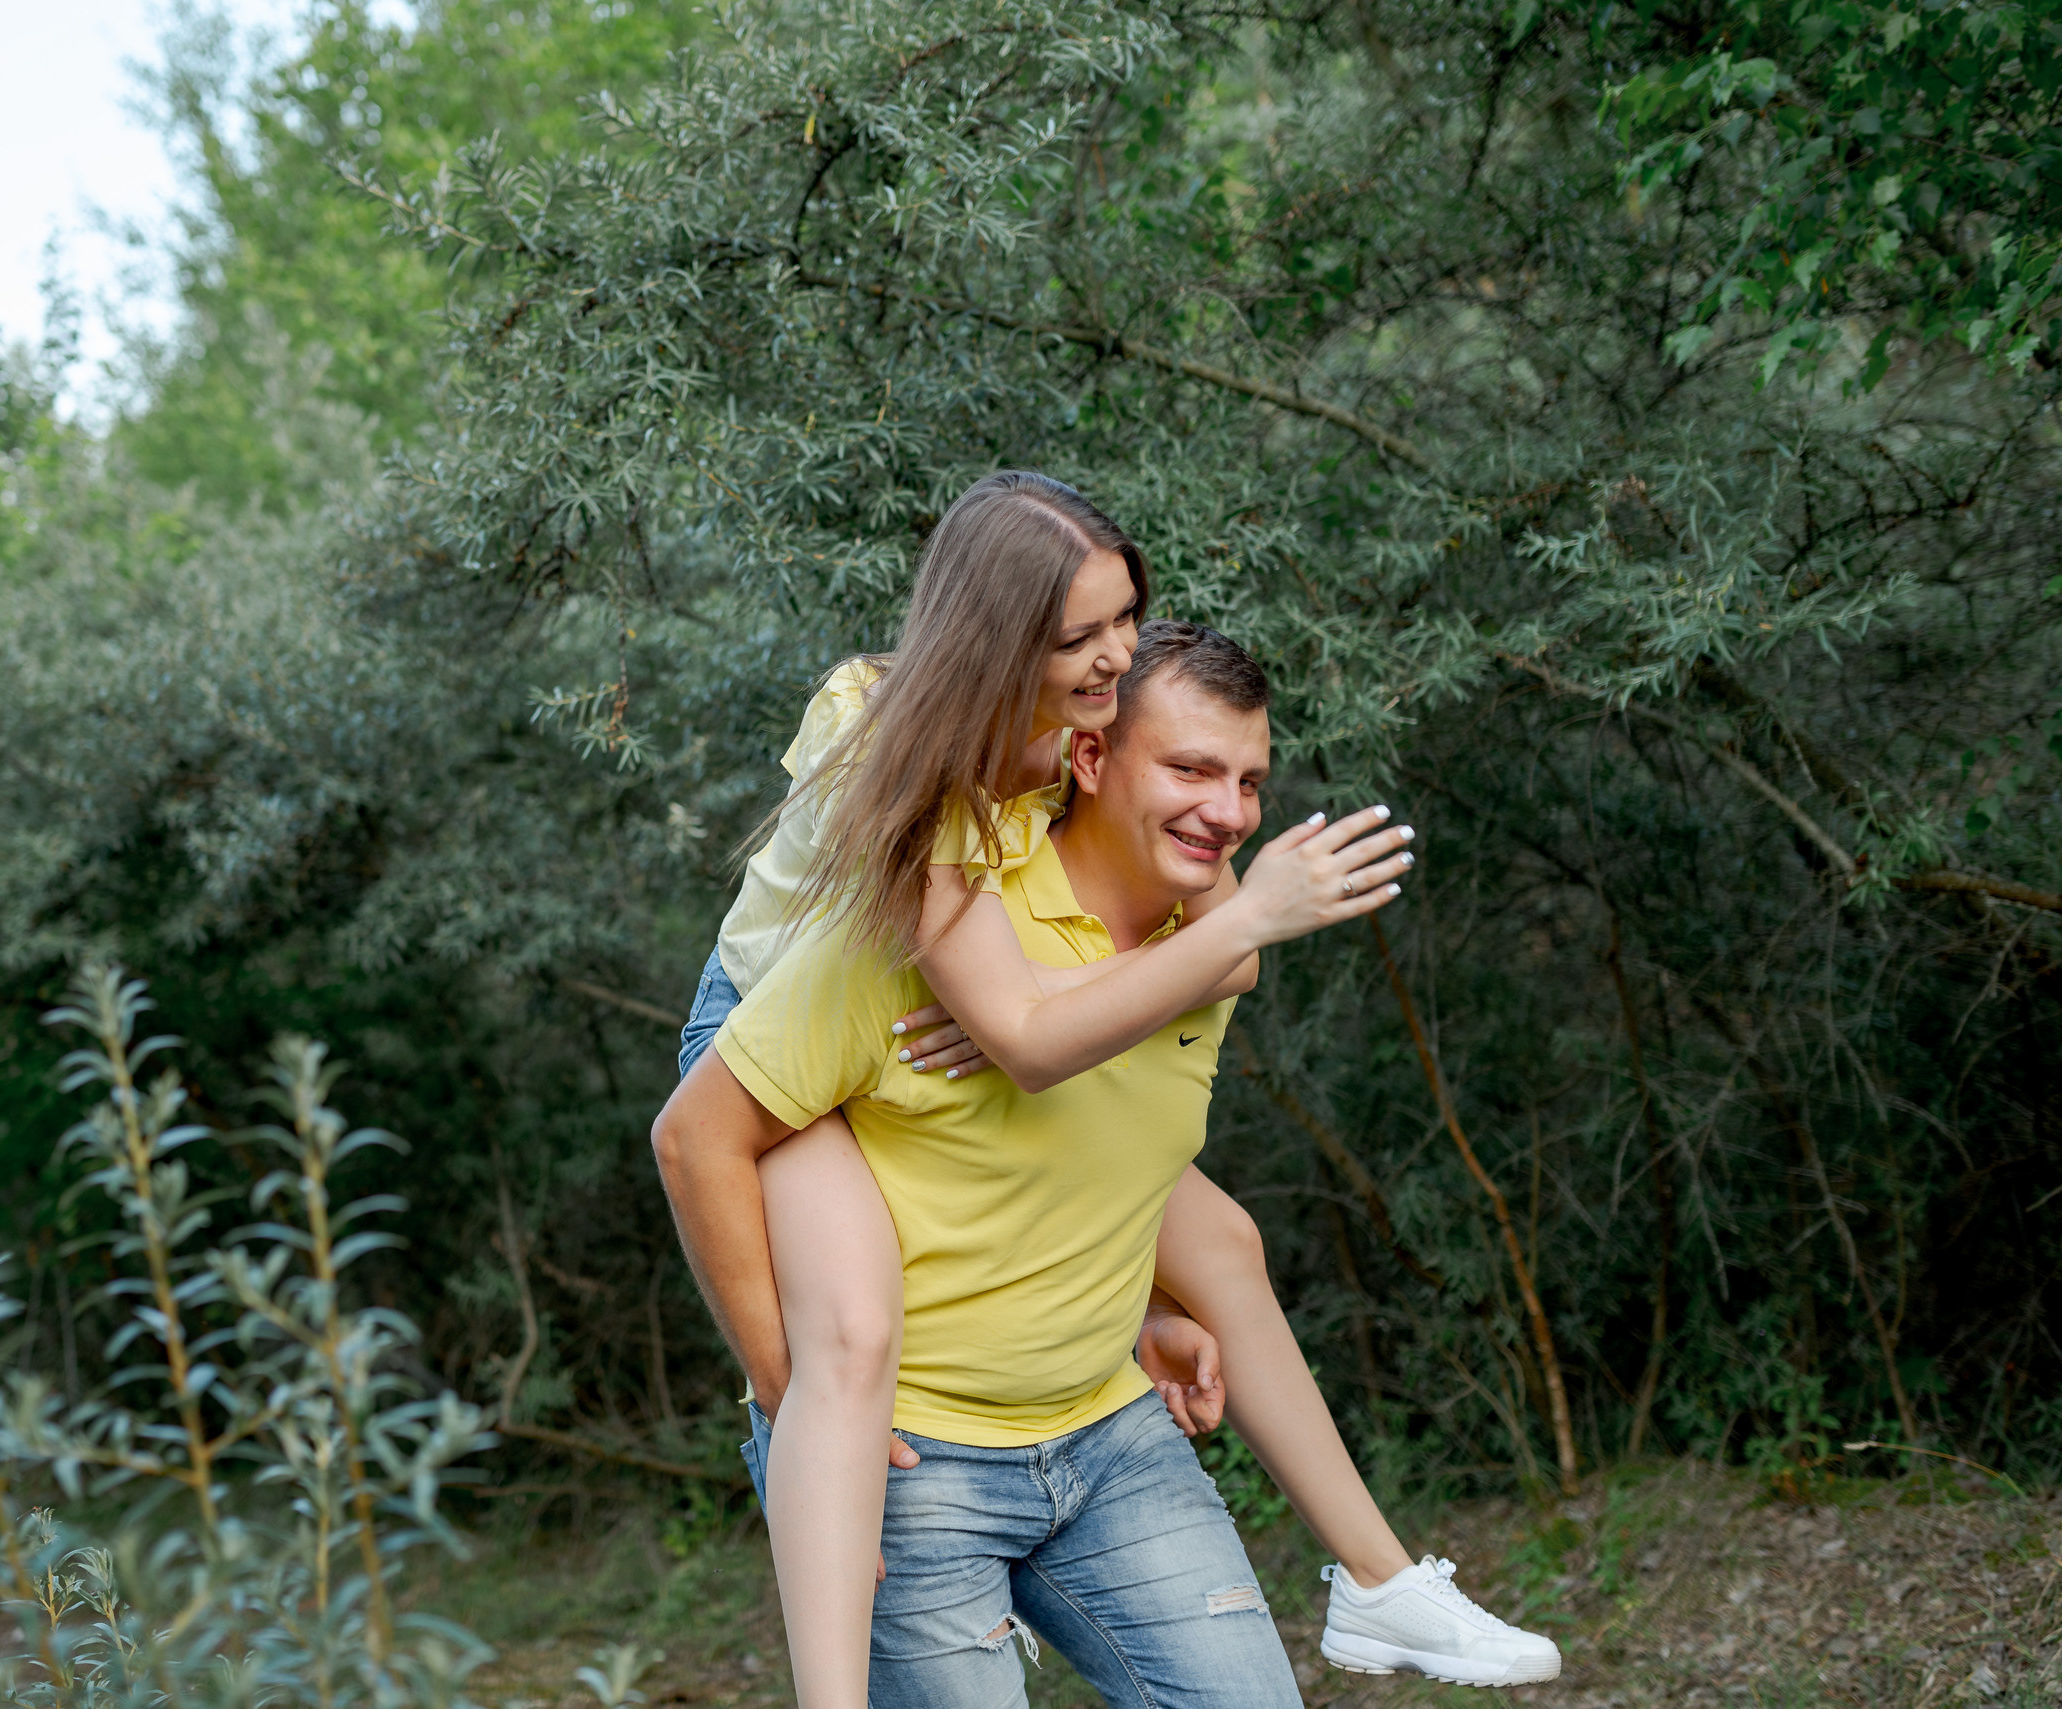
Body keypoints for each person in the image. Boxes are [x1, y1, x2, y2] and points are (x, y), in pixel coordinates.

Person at [659, 477, 1561, 1696]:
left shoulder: (1064, 745)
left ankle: (1382, 1579)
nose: (1114, 652)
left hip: (951, 1021)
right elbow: (1017, 1027)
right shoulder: (898, 741)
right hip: (761, 1031)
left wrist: (1049, 1013)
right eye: (1078, 635)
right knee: (852, 1336)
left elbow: (1182, 956)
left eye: (1123, 616)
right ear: (997, 635)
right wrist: (1014, 1001)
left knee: (1220, 1239)